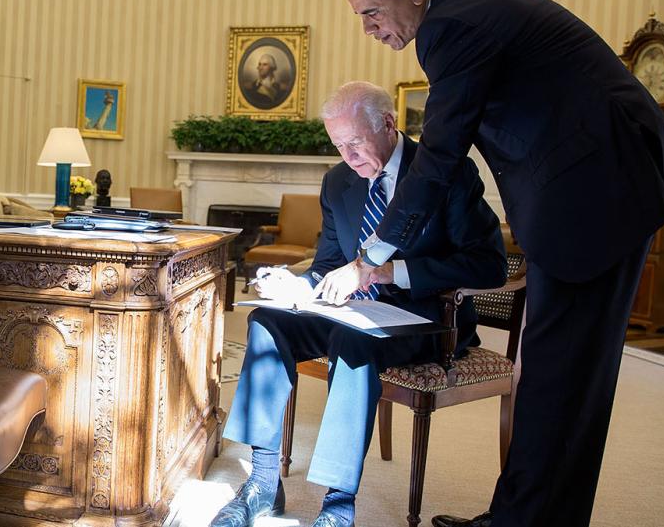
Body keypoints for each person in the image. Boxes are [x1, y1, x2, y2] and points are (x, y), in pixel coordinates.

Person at [317, 0, 664, 526]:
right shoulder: (466, 6)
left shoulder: (452, 26)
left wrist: (368, 260)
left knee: (561, 374)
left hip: (600, 196)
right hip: (594, 190)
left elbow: (438, 159)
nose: (368, 29)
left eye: (372, 12)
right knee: (555, 373)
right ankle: (519, 516)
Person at [211, 81, 506, 527]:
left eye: (354, 143)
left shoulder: (445, 173)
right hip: (352, 312)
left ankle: (337, 506)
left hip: (426, 317)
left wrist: (389, 272)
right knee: (267, 323)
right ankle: (263, 483)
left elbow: (489, 265)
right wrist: (297, 287)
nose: (347, 157)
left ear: (387, 124)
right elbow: (329, 263)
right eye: (338, 145)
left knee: (352, 341)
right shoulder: (338, 182)